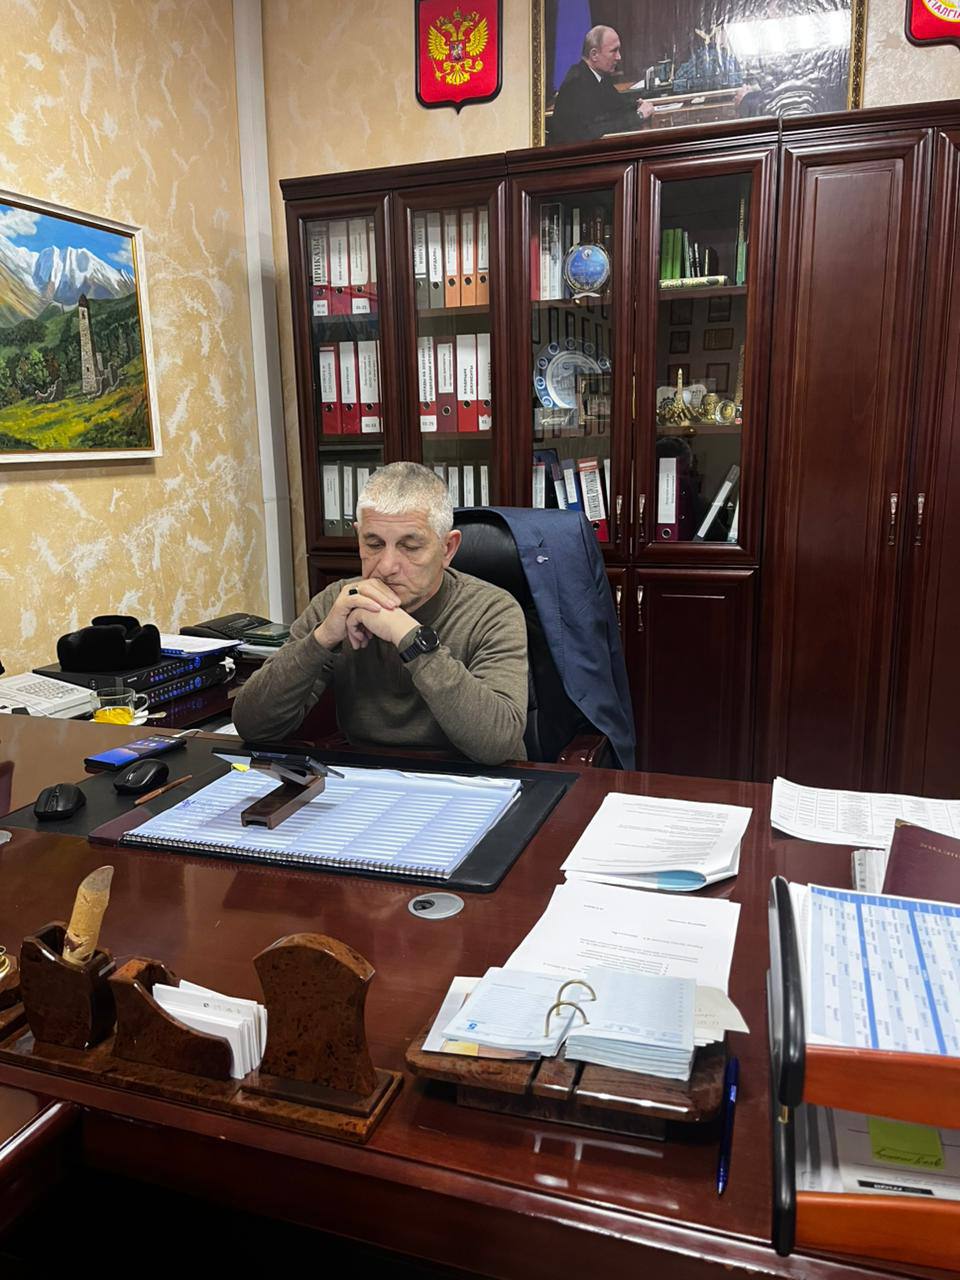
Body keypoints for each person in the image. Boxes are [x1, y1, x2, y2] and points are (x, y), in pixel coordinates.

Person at [232, 462, 528, 765]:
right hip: (369, 775)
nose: (386, 567)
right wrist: (322, 638)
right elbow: (253, 727)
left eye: (410, 547)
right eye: (373, 544)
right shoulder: (339, 602)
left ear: (448, 548)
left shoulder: (493, 610)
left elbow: (497, 744)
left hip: (474, 779)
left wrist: (409, 637)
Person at [547, 25, 653, 147]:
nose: (619, 57)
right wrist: (638, 116)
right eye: (613, 51)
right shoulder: (576, 83)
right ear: (594, 55)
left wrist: (636, 106)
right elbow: (596, 129)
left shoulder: (598, 76)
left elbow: (617, 106)